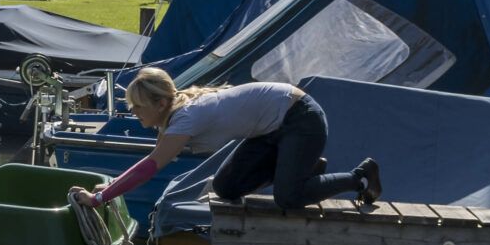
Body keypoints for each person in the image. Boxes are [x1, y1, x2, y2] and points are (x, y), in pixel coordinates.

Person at [70, 68, 379, 212]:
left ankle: (360, 178)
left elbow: (151, 166)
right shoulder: (174, 114)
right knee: (225, 188)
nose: (134, 112)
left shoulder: (185, 118)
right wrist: (109, 189)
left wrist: (99, 199)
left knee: (288, 199)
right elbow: (152, 159)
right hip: (270, 130)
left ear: (161, 104)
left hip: (301, 119)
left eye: (138, 106)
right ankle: (302, 170)